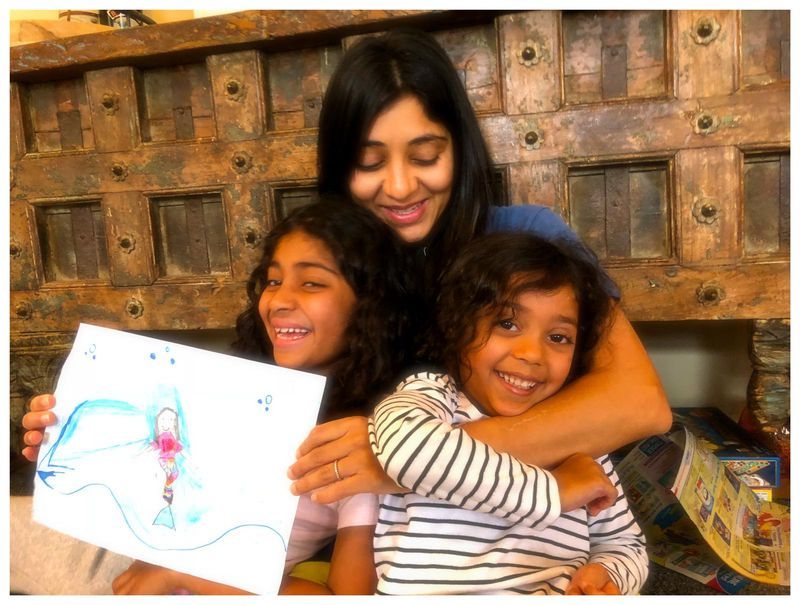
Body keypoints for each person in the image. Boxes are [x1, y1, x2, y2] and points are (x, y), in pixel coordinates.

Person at [288, 28, 672, 504]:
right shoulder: (325, 266)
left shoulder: (527, 238)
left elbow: (640, 404)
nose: (402, 186)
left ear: (459, 149)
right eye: (369, 162)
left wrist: (405, 461)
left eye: (426, 155)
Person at [20, 200, 416, 595]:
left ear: (370, 302)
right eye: (273, 281)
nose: (278, 301)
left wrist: (181, 573)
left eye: (311, 283)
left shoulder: (356, 446)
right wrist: (63, 445)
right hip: (117, 555)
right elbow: (148, 476)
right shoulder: (222, 393)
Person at [370, 232, 648, 595]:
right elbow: (407, 449)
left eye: (559, 337)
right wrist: (554, 491)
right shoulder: (433, 395)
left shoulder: (581, 434)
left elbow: (626, 544)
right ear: (457, 326)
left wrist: (608, 574)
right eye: (507, 323)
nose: (532, 353)